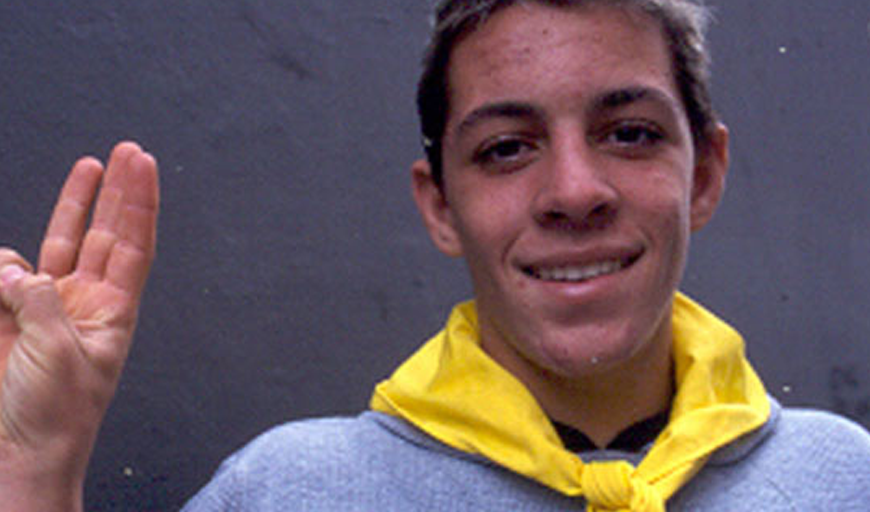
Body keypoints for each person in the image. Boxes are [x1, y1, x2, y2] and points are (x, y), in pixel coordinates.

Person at [2, 0, 869, 510]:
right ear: (440, 206)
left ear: (706, 174)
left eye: (630, 133)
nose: (574, 191)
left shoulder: (844, 482)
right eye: (505, 149)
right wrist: (35, 467)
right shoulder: (291, 495)